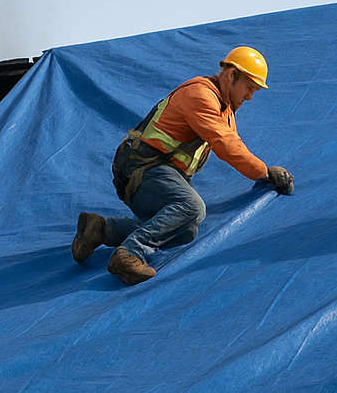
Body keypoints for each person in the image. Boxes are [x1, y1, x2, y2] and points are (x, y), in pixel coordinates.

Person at [71, 46, 295, 285]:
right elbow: (226, 145)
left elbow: (235, 144)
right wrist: (264, 172)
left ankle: (102, 229)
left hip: (157, 174)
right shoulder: (200, 95)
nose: (250, 97)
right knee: (192, 207)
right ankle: (130, 254)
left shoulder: (224, 108)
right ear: (231, 75)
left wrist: (264, 173)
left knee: (186, 231)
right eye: (250, 88)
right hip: (140, 169)